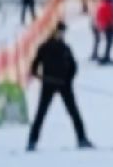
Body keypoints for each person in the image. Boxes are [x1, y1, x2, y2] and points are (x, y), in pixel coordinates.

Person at [27, 22, 93, 151]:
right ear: (54, 32)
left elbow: (73, 66)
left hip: (64, 85)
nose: (62, 35)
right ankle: (32, 141)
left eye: (63, 32)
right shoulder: (44, 47)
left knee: (74, 112)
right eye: (60, 32)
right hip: (48, 85)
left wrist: (69, 79)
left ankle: (82, 139)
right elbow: (34, 66)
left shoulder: (65, 48)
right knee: (41, 113)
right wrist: (39, 75)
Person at [93, 0, 113, 64]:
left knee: (109, 42)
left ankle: (106, 56)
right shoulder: (108, 6)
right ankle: (106, 57)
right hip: (108, 26)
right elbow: (109, 16)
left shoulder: (102, 4)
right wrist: (112, 24)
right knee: (109, 42)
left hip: (105, 25)